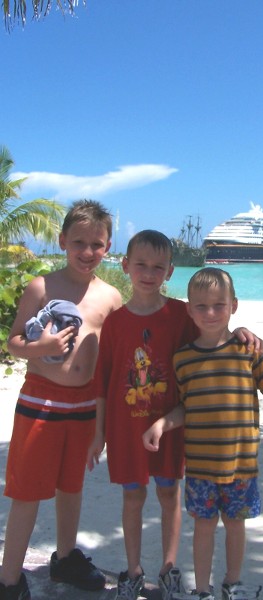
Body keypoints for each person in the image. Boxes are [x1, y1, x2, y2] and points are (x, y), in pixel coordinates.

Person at [87, 231, 263, 600]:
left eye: (158, 267)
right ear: (125, 266)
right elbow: (102, 383)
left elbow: (216, 331)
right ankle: (133, 570)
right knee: (132, 497)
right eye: (141, 265)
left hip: (171, 426)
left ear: (169, 271)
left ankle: (169, 567)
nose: (149, 273)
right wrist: (98, 434)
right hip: (126, 428)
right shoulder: (115, 322)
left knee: (170, 494)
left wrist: (242, 331)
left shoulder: (182, 313)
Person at [142, 267, 263, 600]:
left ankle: (232, 584)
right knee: (202, 529)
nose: (210, 313)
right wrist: (162, 424)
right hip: (201, 468)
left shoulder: (249, 351)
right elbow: (189, 406)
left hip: (241, 467)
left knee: (235, 526)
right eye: (200, 306)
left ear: (234, 305)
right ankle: (202, 589)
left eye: (219, 305)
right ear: (189, 309)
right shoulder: (183, 359)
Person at [0, 200, 123, 600]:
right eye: (79, 243)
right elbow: (14, 342)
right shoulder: (42, 286)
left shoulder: (111, 297)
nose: (88, 252)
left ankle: (65, 558)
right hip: (40, 404)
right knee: (27, 491)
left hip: (86, 409)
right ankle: (9, 579)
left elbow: (114, 360)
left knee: (71, 488)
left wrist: (104, 426)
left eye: (97, 244)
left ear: (108, 246)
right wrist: (45, 346)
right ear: (62, 241)